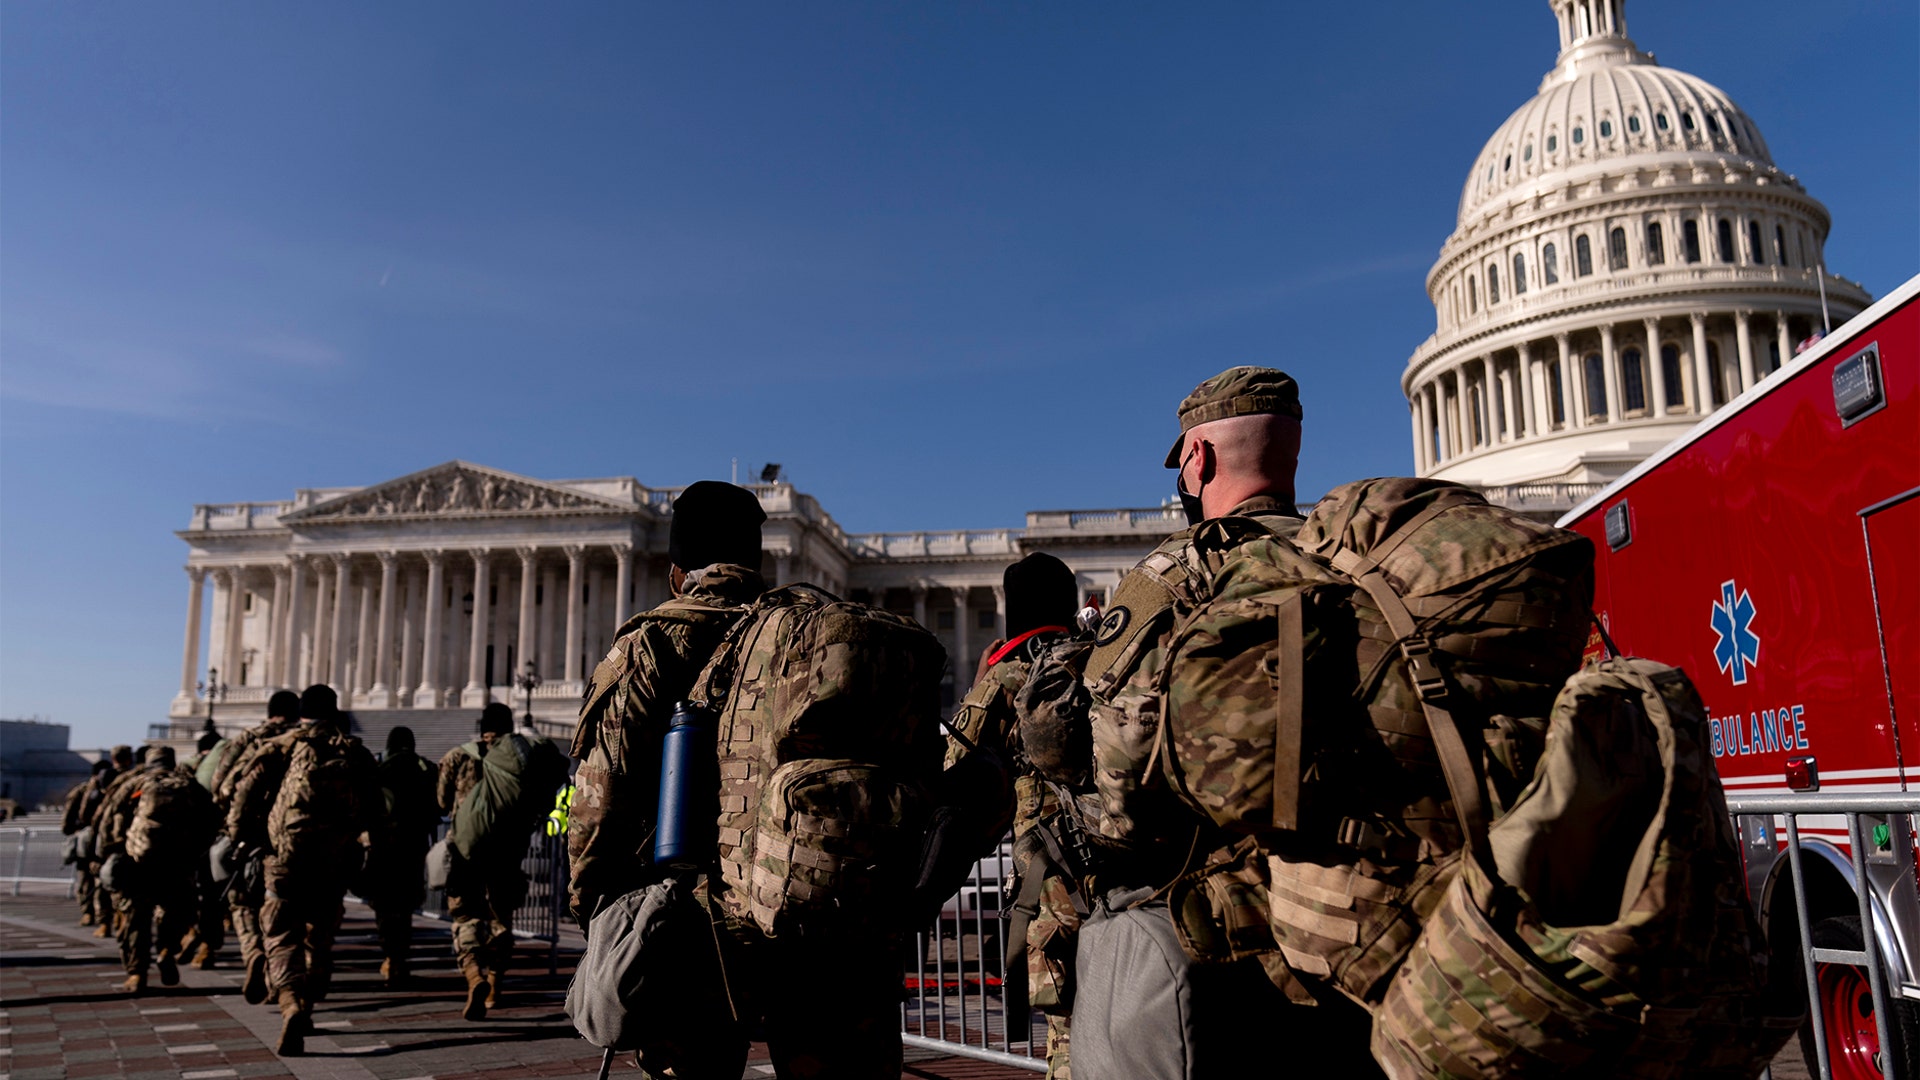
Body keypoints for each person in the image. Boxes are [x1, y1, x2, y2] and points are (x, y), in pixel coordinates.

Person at [1013, 367, 1385, 1071]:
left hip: (1222, 937)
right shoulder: (1357, 564)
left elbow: (1119, 782)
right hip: (1365, 922)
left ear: (1200, 459)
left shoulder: (1175, 576)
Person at [568, 480, 771, 926]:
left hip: (685, 915)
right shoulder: (807, 633)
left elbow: (599, 798)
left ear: (678, 570)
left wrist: (594, 915)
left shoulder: (653, 642)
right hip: (801, 916)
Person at [943, 552, 1084, 1079]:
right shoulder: (1103, 662)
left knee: (1069, 1031)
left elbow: (952, 771)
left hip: (1051, 889)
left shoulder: (1008, 677)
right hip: (1125, 872)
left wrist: (977, 686)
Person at [227, 685, 380, 1056]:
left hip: (283, 858)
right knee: (320, 939)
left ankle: (290, 1002)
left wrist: (245, 840)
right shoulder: (356, 754)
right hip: (334, 859)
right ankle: (308, 1006)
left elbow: (241, 798)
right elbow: (376, 810)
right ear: (335, 712)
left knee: (281, 933)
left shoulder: (281, 746)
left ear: (302, 713)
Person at [437, 702, 565, 1020]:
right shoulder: (521, 756)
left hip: (466, 850)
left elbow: (440, 800)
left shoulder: (458, 756)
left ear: (482, 726)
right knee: (501, 918)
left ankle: (473, 976)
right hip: (508, 850)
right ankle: (495, 985)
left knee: (465, 915)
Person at [215, 689, 305, 1002]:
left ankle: (252, 950)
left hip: (250, 837)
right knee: (284, 912)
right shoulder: (304, 740)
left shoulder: (246, 740)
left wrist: (234, 829)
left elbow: (220, 785)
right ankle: (275, 978)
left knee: (242, 903)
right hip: (293, 838)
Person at [104, 747, 215, 994]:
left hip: (138, 862)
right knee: (174, 913)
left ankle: (136, 974)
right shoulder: (190, 785)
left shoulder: (134, 783)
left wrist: (109, 851)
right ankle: (167, 950)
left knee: (135, 919)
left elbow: (109, 818)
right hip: (179, 862)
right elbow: (212, 821)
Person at [367, 725, 440, 988]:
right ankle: (399, 958)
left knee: (385, 904)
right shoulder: (425, 768)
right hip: (414, 845)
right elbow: (437, 806)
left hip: (383, 846)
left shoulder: (378, 767)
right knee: (406, 904)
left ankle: (390, 955)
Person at [63, 747, 130, 931]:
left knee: (91, 878)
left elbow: (80, 815)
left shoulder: (91, 788)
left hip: (96, 838)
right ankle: (109, 915)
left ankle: (95, 915)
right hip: (114, 838)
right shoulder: (127, 782)